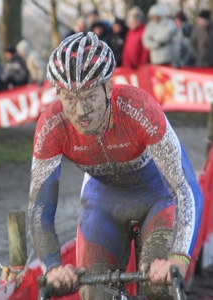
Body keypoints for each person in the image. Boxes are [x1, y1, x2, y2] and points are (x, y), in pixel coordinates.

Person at [28, 32, 203, 300]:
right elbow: (40, 208)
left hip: (156, 197)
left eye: (89, 96)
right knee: (95, 294)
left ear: (109, 87)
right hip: (103, 204)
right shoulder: (51, 126)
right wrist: (52, 267)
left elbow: (186, 188)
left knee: (162, 286)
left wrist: (179, 258)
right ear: (58, 94)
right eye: (70, 98)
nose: (81, 110)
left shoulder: (139, 108)